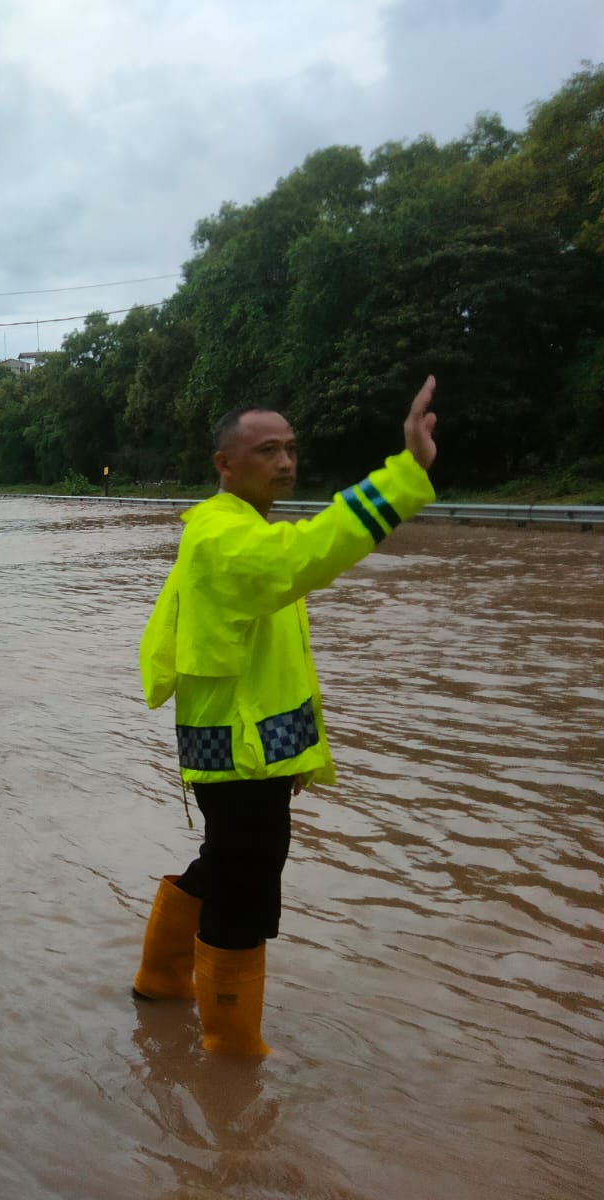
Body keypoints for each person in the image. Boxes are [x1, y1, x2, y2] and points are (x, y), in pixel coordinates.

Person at [131, 377, 441, 1056]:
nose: (286, 462)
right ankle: (232, 1055)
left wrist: (293, 752)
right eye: (268, 450)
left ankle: (160, 981)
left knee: (228, 862)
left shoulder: (239, 529)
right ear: (225, 464)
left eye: (291, 449)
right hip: (238, 751)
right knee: (246, 886)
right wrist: (406, 474)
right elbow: (308, 554)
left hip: (246, 745)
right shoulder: (225, 538)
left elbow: (272, 663)